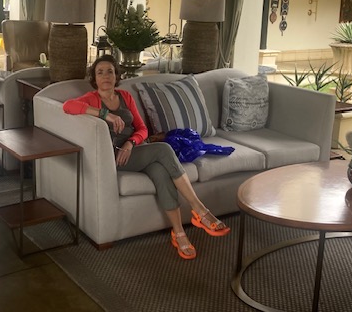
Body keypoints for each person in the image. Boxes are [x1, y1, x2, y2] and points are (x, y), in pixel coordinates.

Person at [62, 55, 230, 260]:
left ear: (116, 75)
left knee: (160, 172)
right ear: (94, 78)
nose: (106, 76)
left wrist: (130, 143)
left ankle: (179, 233)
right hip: (115, 157)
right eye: (100, 72)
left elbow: (142, 129)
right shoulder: (91, 99)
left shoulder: (125, 96)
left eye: (110, 71)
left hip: (134, 151)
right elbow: (67, 106)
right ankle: (200, 210)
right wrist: (105, 114)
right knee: (164, 149)